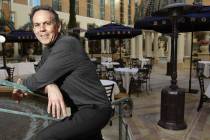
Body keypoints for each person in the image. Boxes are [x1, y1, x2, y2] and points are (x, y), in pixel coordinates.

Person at [12, 5, 112, 140]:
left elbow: (36, 81)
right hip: (83, 111)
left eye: (47, 23)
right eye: (37, 25)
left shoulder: (67, 44)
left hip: (94, 111)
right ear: (34, 29)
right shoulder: (48, 50)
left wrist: (22, 84)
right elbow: (40, 77)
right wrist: (49, 86)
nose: (41, 29)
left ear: (58, 26)